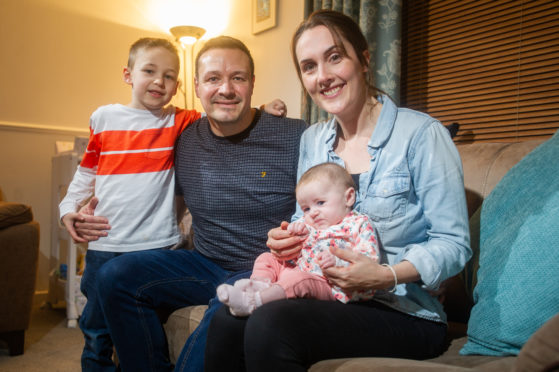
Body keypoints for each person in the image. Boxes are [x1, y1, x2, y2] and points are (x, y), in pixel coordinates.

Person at [204, 10, 471, 372]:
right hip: (325, 294)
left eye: (334, 57)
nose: (323, 77)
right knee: (225, 319)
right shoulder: (313, 140)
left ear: (363, 60)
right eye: (309, 66)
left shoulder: (422, 135)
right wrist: (287, 239)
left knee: (271, 324)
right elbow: (306, 217)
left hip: (404, 309)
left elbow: (454, 244)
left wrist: (386, 275)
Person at [70, 35, 307, 372]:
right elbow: (140, 185)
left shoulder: (294, 135)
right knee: (113, 276)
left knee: (217, 328)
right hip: (204, 263)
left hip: (264, 268)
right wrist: (77, 210)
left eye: (237, 78)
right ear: (196, 86)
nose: (225, 89)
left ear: (252, 83)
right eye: (213, 79)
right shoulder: (184, 139)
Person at [217, 162, 379, 316]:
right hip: (297, 270)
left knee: (297, 279)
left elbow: (368, 260)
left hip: (328, 284)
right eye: (306, 208)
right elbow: (289, 248)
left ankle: (253, 302)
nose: (313, 212)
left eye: (320, 202)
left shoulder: (358, 224)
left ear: (348, 197)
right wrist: (293, 233)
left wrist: (337, 261)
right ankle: (258, 285)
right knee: (265, 258)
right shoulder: (308, 223)